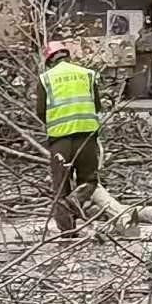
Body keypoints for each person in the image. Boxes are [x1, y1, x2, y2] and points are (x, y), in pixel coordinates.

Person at [35, 41, 102, 230]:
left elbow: (41, 111)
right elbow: (97, 105)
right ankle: (76, 200)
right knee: (89, 181)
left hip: (60, 140)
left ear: (49, 61)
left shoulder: (46, 78)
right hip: (87, 137)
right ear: (67, 56)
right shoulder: (87, 74)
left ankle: (67, 234)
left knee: (60, 189)